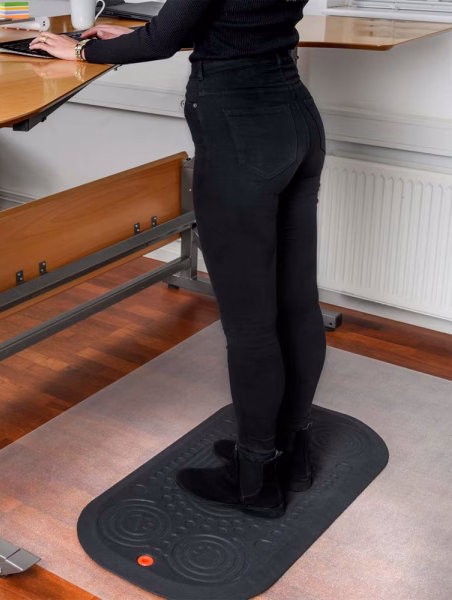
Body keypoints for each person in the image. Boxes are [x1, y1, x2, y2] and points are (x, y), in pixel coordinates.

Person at [30, 0, 327, 519]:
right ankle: (292, 453)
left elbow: (161, 42)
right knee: (297, 303)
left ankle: (255, 479)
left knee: (251, 323)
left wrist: (79, 51)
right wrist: (130, 36)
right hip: (295, 115)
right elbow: (236, 21)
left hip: (242, 127)